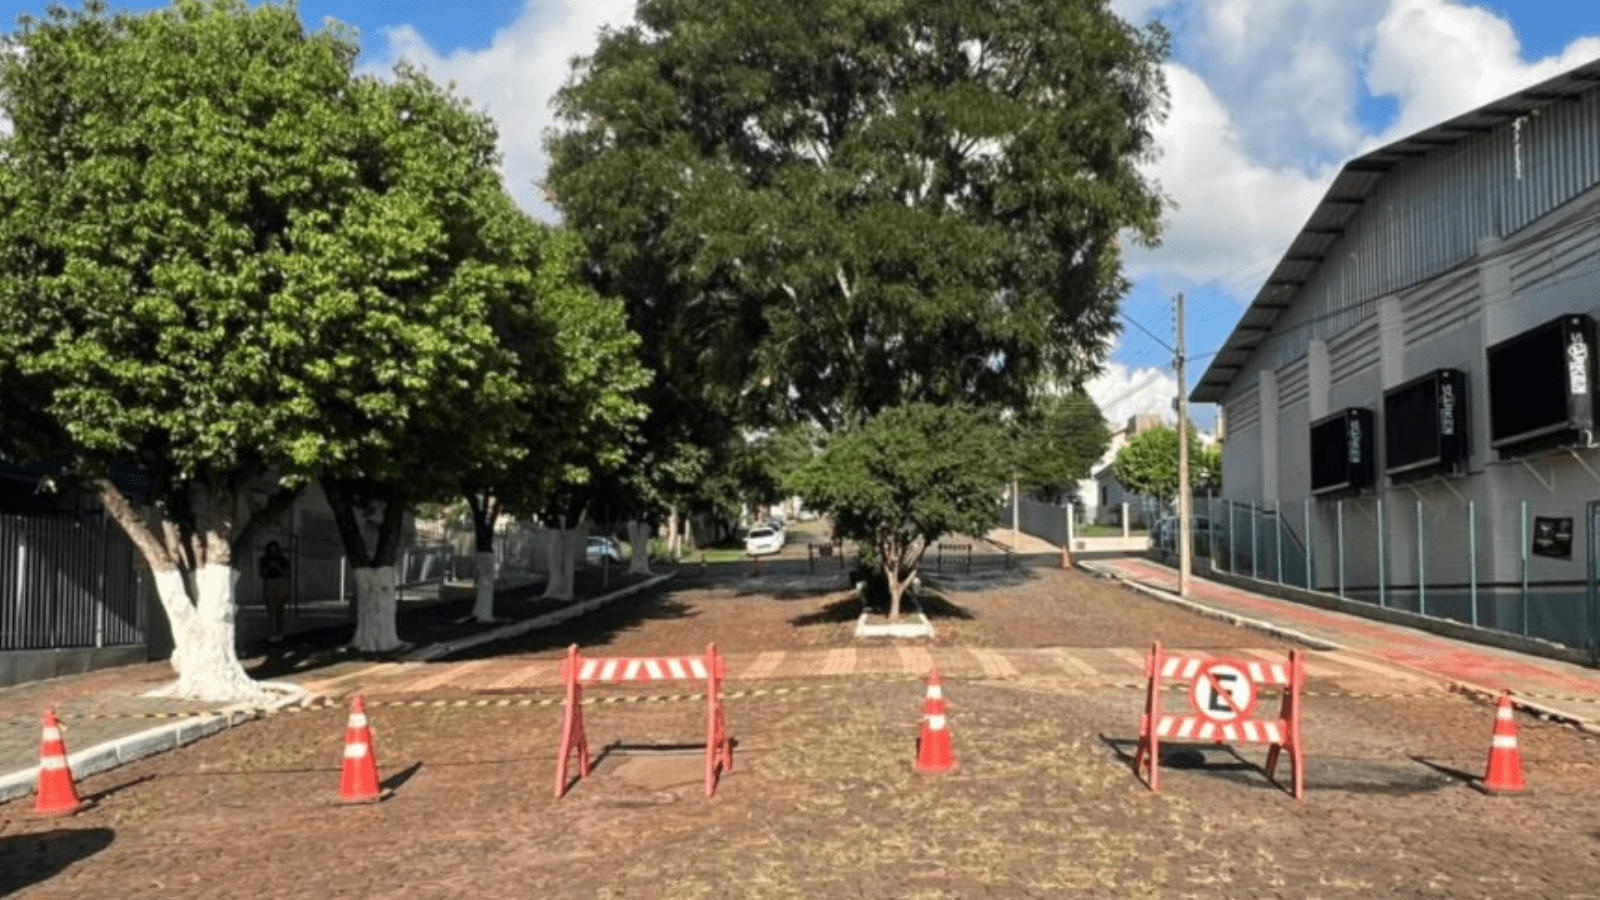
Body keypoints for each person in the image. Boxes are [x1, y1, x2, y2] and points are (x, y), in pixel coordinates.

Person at [259, 541, 291, 643]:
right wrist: (269, 567)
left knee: (280, 610)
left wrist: (277, 566)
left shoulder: (283, 560)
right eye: (271, 550)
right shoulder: (264, 560)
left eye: (275, 550)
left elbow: (287, 574)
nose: (273, 552)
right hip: (269, 584)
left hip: (281, 584)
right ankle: (272, 633)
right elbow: (262, 574)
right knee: (271, 611)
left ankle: (280, 632)